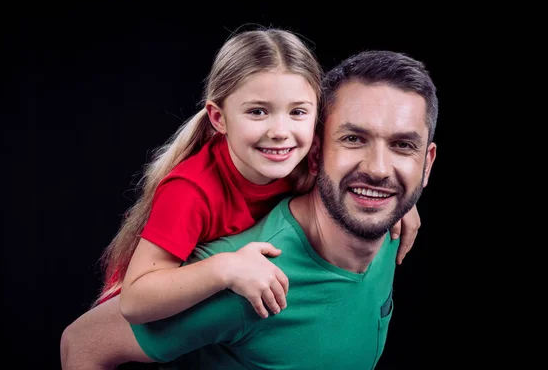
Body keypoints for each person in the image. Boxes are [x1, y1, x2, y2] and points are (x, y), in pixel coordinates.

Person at [60, 29, 423, 369]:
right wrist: (226, 269)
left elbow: (369, 176)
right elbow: (135, 302)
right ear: (219, 117)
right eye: (257, 112)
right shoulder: (191, 191)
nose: (280, 132)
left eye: (297, 112)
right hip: (162, 298)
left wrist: (397, 201)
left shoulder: (299, 163)